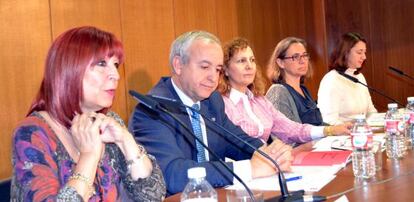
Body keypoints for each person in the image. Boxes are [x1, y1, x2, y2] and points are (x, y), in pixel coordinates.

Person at [11, 26, 166, 201]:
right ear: (69, 69)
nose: (115, 75)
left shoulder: (108, 122)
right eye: (102, 64)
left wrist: (126, 141)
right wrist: (89, 156)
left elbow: (153, 197)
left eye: (115, 65)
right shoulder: (32, 133)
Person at [128, 31, 292, 195]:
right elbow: (173, 174)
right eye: (205, 67)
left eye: (218, 69)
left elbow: (237, 140)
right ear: (178, 65)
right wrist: (249, 169)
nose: (213, 78)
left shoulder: (212, 100)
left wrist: (270, 153)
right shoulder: (152, 110)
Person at [218, 38, 350, 144]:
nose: (249, 66)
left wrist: (330, 130)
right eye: (242, 61)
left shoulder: (260, 100)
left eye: (252, 60)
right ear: (226, 69)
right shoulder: (222, 103)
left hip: (268, 163)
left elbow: (292, 129)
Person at [317, 32, 377, 125]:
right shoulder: (331, 80)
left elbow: (370, 111)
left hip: (362, 132)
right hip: (342, 136)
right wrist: (354, 128)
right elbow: (329, 121)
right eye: (359, 52)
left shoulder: (359, 77)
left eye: (364, 52)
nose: (364, 57)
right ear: (345, 52)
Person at [266, 37, 323, 126]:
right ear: (281, 62)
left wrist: (336, 129)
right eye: (295, 57)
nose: (302, 61)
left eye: (304, 55)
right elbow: (284, 134)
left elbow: (318, 125)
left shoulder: (303, 89)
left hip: (319, 140)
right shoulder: (278, 92)